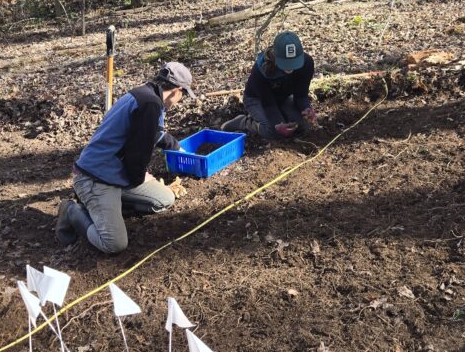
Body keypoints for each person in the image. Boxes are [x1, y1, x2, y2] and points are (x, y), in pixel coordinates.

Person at [56, 61, 195, 254]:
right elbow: (137, 155)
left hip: (115, 172)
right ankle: (72, 211)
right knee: (114, 243)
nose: (179, 101)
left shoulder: (144, 95)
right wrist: (140, 177)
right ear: (177, 91)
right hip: (95, 177)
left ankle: (109, 207)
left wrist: (175, 146)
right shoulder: (150, 105)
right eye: (182, 96)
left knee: (164, 198)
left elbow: (151, 133)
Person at [222, 31, 317, 140]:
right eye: (286, 63)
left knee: (303, 127)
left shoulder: (307, 64)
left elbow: (301, 96)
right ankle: (244, 122)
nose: (290, 68)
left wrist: (306, 109)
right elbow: (268, 104)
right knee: (274, 132)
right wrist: (277, 124)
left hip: (282, 98)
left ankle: (283, 116)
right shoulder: (263, 69)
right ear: (275, 57)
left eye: (294, 63)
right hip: (257, 99)